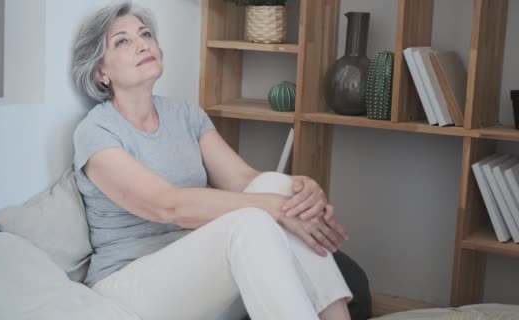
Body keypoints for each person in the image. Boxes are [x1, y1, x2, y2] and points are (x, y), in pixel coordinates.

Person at [71, 2, 370, 319]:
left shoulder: (185, 114)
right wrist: (274, 207)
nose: (142, 44)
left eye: (145, 34)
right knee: (253, 219)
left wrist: (300, 192)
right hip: (129, 284)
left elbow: (244, 180)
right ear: (100, 72)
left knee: (276, 186)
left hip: (196, 272)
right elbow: (166, 205)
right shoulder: (96, 131)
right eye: (122, 41)